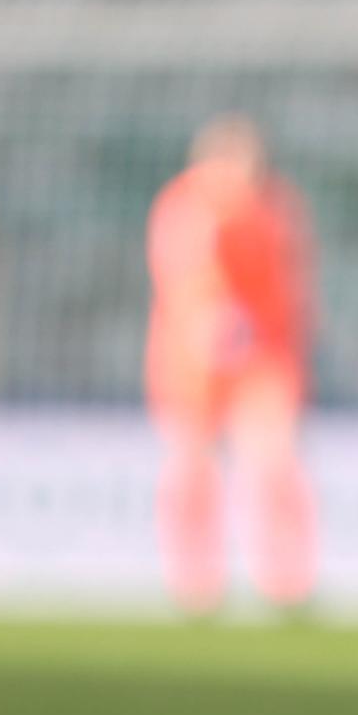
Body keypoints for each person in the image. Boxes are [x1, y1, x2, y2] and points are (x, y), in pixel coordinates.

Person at [146, 116, 316, 614]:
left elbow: (290, 284)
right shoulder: (184, 209)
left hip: (263, 358)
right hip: (189, 363)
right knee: (190, 469)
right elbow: (186, 283)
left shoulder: (276, 207)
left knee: (275, 465)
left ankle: (287, 582)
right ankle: (194, 585)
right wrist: (210, 323)